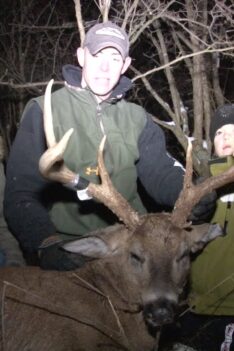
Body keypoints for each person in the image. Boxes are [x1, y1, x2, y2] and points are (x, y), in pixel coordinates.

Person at [3, 21, 215, 271]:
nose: (105, 67)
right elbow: (20, 194)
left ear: (125, 65)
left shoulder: (138, 118)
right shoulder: (45, 110)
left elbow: (161, 174)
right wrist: (46, 242)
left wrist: (191, 195)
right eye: (97, 55)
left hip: (134, 248)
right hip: (73, 248)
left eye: (115, 58)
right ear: (82, 56)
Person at [163, 104, 234, 351]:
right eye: (218, 133)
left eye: (232, 131)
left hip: (231, 308)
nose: (225, 137)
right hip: (194, 306)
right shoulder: (196, 185)